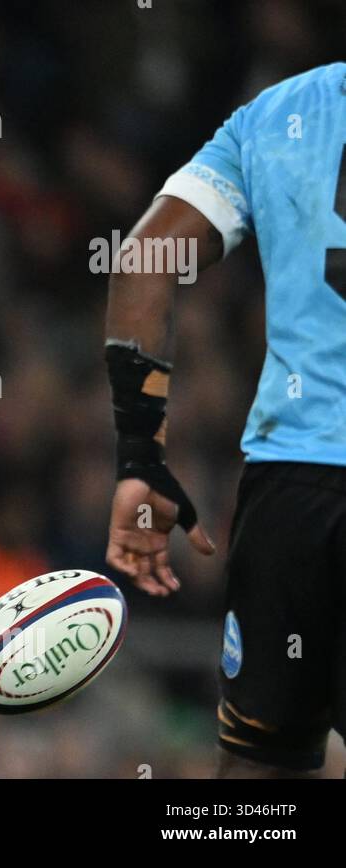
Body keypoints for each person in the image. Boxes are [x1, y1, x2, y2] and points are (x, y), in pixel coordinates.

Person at [104, 62, 346, 777]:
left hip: (296, 496)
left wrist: (140, 458)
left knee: (259, 775)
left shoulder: (275, 116)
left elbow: (145, 258)